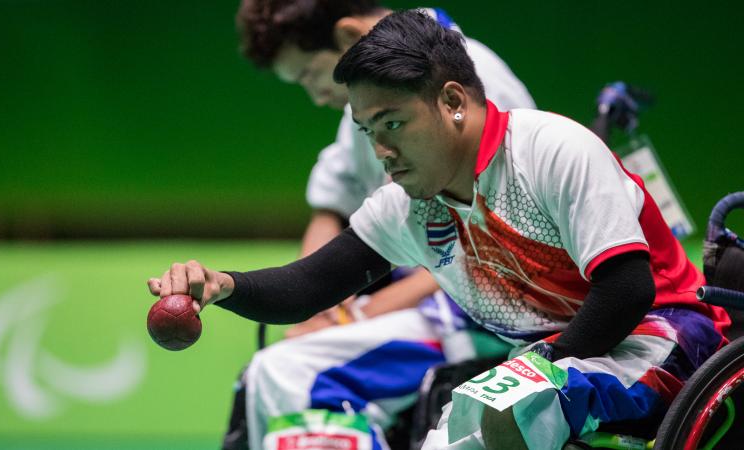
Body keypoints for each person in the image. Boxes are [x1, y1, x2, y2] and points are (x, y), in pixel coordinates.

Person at [153, 10, 731, 449]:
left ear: (453, 101)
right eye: (367, 129)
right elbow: (308, 286)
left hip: (655, 341)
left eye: (393, 124)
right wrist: (222, 285)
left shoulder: (551, 149)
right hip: (551, 360)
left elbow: (626, 290)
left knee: (484, 413)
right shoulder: (406, 204)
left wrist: (531, 365)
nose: (380, 149)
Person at [220, 2, 535, 449]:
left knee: (291, 372)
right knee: (268, 371)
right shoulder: (375, 100)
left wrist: (353, 314)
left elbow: (477, 251)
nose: (314, 95)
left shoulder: (468, 86)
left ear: (348, 36)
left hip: (486, 319)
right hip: (424, 312)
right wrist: (323, 306)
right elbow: (333, 205)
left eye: (310, 74)